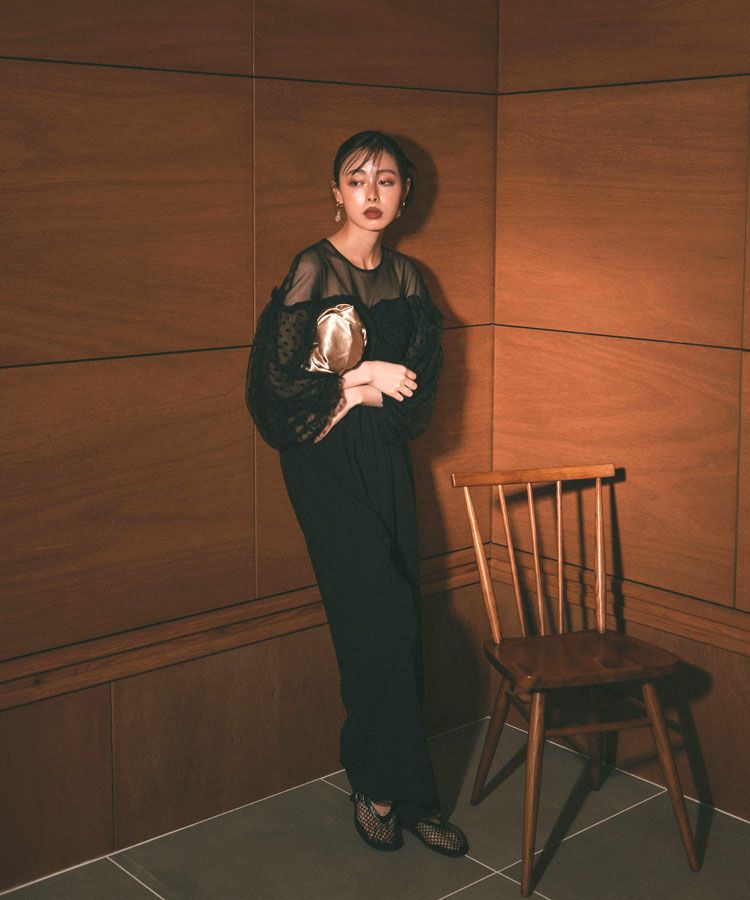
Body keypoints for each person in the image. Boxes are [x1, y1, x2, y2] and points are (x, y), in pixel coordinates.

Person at [245, 131, 468, 857]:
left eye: (387, 180)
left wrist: (371, 389)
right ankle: (377, 787)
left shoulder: (410, 278)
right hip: (323, 464)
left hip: (385, 459)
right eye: (357, 179)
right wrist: (362, 378)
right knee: (377, 620)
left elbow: (417, 396)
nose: (372, 193)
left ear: (406, 194)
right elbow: (277, 395)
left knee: (400, 620)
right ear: (335, 192)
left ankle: (411, 792)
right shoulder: (312, 267)